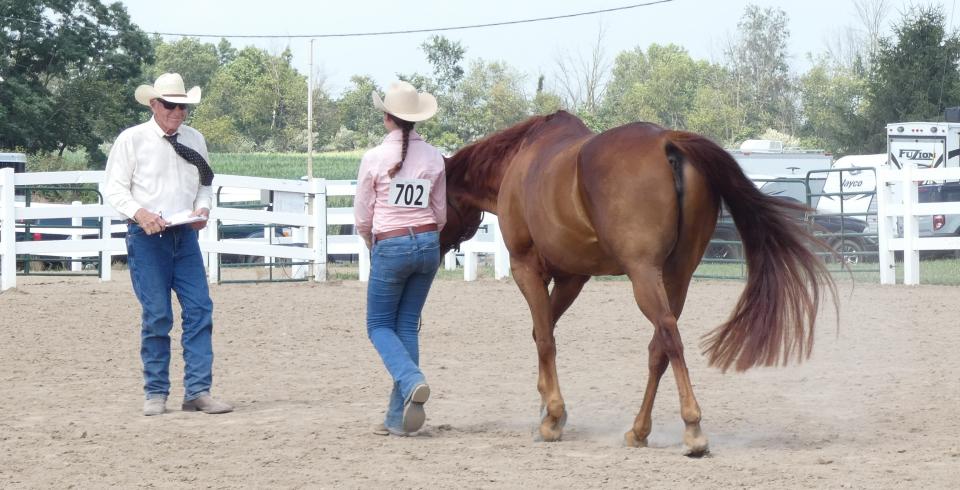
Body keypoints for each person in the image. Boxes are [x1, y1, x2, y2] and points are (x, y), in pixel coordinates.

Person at [104, 72, 233, 416]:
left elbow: (205, 182)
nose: (178, 112)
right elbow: (114, 188)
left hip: (184, 235)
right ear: (154, 104)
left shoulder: (195, 140)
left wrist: (203, 207)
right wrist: (139, 212)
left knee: (199, 309)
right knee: (158, 314)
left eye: (183, 107)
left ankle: (198, 390)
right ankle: (156, 391)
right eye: (172, 106)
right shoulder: (132, 140)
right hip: (147, 238)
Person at [354, 81, 446, 436]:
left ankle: (411, 380)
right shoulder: (435, 156)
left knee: (378, 325)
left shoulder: (374, 158)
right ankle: (396, 418)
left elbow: (363, 214)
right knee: (405, 325)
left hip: (391, 245)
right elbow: (440, 215)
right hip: (427, 243)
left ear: (387, 117)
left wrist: (370, 241)